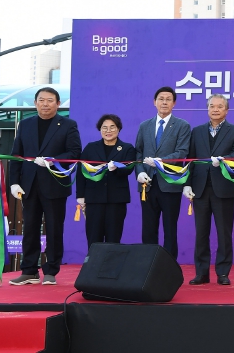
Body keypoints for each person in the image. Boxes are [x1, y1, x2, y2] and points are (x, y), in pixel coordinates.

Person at [8, 87, 82, 286]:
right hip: (29, 185)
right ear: (35, 103)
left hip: (55, 184)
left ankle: (51, 271)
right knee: (30, 228)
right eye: (41, 100)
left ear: (58, 104)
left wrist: (52, 160)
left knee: (54, 229)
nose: (45, 104)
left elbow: (74, 153)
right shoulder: (25, 124)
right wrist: (14, 182)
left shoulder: (68, 125)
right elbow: (16, 155)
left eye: (50, 100)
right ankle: (29, 271)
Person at [184, 94, 234, 286]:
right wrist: (187, 183)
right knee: (201, 233)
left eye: (219, 106)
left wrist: (224, 160)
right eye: (212, 106)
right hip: (200, 189)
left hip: (224, 188)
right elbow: (191, 159)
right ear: (207, 108)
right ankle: (201, 273)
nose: (215, 109)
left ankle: (223, 272)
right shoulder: (197, 131)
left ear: (227, 110)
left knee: (224, 233)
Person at [135, 86, 191, 261]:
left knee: (170, 229)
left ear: (174, 103)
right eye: (161, 99)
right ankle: (148, 265)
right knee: (148, 229)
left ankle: (168, 267)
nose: (164, 102)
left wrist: (160, 161)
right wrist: (139, 172)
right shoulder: (145, 126)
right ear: (154, 102)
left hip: (170, 184)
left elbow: (182, 152)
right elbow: (138, 152)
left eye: (168, 99)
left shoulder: (182, 125)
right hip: (147, 185)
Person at [75, 114, 137, 248]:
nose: (108, 131)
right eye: (104, 128)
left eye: (112, 127)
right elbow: (81, 172)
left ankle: (112, 262)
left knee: (113, 239)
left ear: (118, 129)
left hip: (116, 200)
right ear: (100, 129)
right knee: (93, 238)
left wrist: (116, 168)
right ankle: (94, 261)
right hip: (94, 199)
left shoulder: (127, 148)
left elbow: (129, 169)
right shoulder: (91, 147)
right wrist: (80, 195)